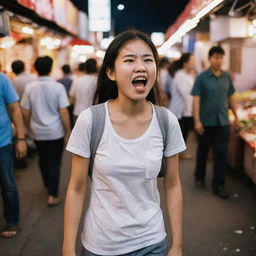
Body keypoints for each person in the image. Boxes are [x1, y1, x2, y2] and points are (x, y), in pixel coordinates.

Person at [63, 30, 186, 256]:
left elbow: (173, 184)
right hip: (100, 245)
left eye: (148, 60)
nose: (141, 67)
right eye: (129, 60)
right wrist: (67, 249)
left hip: (151, 242)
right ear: (111, 72)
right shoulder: (91, 120)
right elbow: (76, 187)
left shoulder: (166, 121)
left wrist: (177, 245)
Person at [20, 56, 71, 207]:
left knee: (42, 159)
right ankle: (52, 195)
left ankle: (48, 184)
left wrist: (28, 129)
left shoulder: (30, 87)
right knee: (55, 162)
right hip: (55, 132)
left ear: (36, 69)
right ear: (50, 68)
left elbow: (25, 112)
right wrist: (68, 131)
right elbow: (63, 111)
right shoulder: (58, 87)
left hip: (37, 132)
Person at [191, 46, 240, 199]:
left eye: (221, 58)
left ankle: (218, 185)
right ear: (209, 59)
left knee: (221, 154)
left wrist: (236, 117)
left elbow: (231, 98)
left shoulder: (226, 77)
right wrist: (197, 120)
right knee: (203, 152)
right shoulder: (202, 77)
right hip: (206, 123)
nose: (219, 61)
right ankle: (199, 176)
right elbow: (196, 100)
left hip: (223, 123)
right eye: (216, 57)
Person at [0, 72, 27, 238]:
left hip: (2, 143)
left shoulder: (2, 79)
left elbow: (14, 108)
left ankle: (12, 220)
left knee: (8, 185)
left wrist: (21, 138)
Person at [169, 53, 195, 159]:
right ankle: (176, 156)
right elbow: (187, 95)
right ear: (185, 63)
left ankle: (180, 154)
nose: (194, 63)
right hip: (180, 111)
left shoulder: (188, 75)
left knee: (185, 133)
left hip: (186, 110)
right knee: (180, 133)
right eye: (192, 61)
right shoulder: (180, 75)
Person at [69, 58, 98, 123]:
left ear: (85, 68)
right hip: (94, 113)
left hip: (78, 112)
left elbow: (71, 99)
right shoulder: (99, 81)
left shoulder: (77, 80)